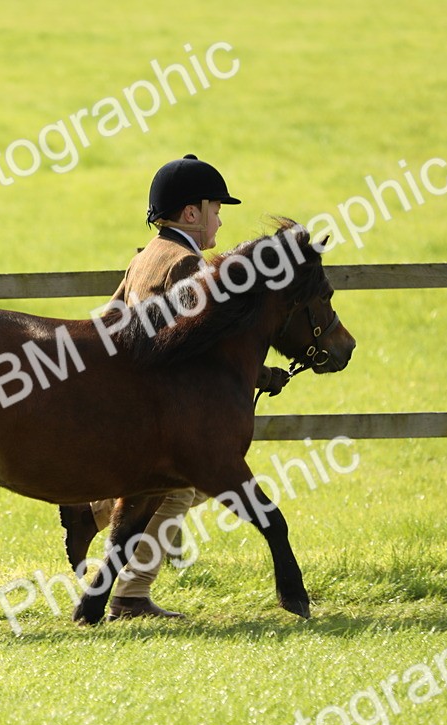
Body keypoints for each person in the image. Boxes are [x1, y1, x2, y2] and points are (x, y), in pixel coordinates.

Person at [59, 154, 290, 620]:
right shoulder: (188, 264)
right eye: (216, 209)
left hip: (131, 405)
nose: (220, 220)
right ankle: (131, 594)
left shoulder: (144, 256)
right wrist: (264, 376)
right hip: (161, 415)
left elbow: (109, 320)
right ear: (191, 213)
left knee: (191, 488)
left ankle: (97, 511)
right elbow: (204, 349)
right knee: (181, 488)